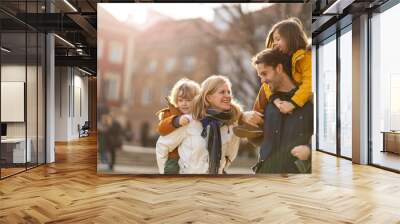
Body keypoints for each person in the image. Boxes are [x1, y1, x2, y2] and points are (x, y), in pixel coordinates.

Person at [156, 75, 242, 174]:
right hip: (188, 184)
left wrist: (220, 170)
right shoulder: (189, 121)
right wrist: (166, 176)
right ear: (209, 98)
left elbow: (229, 156)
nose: (227, 95)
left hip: (215, 184)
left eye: (229, 92)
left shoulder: (231, 126)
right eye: (222, 92)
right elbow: (162, 145)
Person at [250, 48, 313, 173]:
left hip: (296, 179)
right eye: (260, 75)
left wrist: (310, 151)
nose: (262, 80)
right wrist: (246, 120)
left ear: (279, 68)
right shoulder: (266, 98)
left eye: (264, 73)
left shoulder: (309, 99)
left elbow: (331, 138)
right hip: (265, 175)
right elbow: (255, 137)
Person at [245, 17, 311, 128]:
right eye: (274, 40)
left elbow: (309, 83)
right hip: (282, 101)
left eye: (278, 39)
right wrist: (276, 100)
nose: (275, 43)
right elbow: (266, 84)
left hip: (301, 99)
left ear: (291, 38)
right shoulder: (278, 60)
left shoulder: (304, 57)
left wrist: (293, 104)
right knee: (266, 84)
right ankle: (257, 123)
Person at [155, 78, 200, 174]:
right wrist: (177, 121)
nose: (184, 103)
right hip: (173, 156)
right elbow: (161, 128)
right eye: (180, 100)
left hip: (192, 160)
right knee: (171, 170)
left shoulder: (197, 118)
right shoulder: (171, 113)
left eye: (188, 100)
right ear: (176, 100)